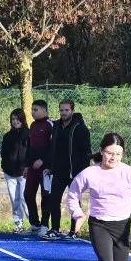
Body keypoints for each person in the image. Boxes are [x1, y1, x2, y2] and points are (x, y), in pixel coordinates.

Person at [42, 99, 91, 241]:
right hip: (58, 172)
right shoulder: (56, 127)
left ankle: (74, 231)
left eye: (66, 110)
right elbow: (53, 149)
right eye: (61, 110)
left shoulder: (80, 128)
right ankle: (55, 229)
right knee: (53, 199)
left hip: (75, 173)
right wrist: (50, 167)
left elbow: (86, 152)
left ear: (72, 111)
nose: (63, 113)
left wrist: (83, 172)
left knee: (74, 201)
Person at [23, 99, 53, 237]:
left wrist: (44, 161)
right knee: (28, 194)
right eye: (32, 110)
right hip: (32, 168)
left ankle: (45, 225)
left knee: (46, 196)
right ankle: (34, 223)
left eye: (35, 110)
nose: (32, 112)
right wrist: (27, 166)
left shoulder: (50, 125)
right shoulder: (33, 125)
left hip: (45, 168)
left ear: (44, 111)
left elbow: (54, 147)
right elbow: (30, 147)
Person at [1, 109, 30, 232]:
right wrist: (5, 166)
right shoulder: (7, 136)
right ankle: (19, 223)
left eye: (17, 119)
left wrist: (27, 167)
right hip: (9, 173)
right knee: (14, 199)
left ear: (22, 120)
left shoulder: (28, 134)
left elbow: (30, 152)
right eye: (13, 119)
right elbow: (3, 153)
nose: (15, 121)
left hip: (23, 173)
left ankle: (33, 222)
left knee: (25, 198)